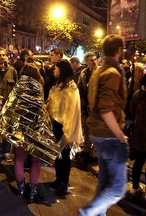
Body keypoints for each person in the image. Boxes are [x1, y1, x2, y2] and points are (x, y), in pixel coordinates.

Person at [0, 63, 58, 203]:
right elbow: (41, 109)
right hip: (36, 130)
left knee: (19, 159)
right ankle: (33, 191)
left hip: (20, 130)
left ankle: (21, 188)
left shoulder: (17, 88)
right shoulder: (39, 87)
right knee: (36, 161)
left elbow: (10, 108)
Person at [78, 34, 128, 216]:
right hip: (109, 135)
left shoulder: (99, 71)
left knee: (104, 182)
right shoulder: (112, 73)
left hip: (98, 133)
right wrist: (120, 136)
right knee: (117, 188)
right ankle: (87, 213)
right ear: (118, 51)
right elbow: (106, 109)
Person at [46, 59, 84, 195]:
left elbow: (72, 111)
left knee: (65, 156)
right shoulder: (59, 85)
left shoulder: (70, 87)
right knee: (58, 156)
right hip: (56, 125)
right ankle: (58, 179)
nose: (53, 70)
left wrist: (69, 132)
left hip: (65, 127)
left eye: (55, 68)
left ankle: (63, 183)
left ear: (61, 70)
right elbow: (52, 103)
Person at [0, 47, 18, 162]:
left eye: (3, 55)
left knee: (7, 131)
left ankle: (6, 152)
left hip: (8, 106)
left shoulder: (12, 71)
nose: (2, 57)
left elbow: (16, 88)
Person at [76, 52, 98, 163]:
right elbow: (80, 88)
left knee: (95, 131)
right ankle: (86, 150)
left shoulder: (99, 72)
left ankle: (94, 153)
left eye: (95, 59)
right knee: (87, 129)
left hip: (96, 107)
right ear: (86, 62)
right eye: (91, 60)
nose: (94, 62)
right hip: (86, 106)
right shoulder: (83, 73)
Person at [128, 74, 146, 196]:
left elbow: (131, 110)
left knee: (139, 162)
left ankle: (135, 186)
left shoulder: (137, 94)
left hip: (138, 134)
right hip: (142, 134)